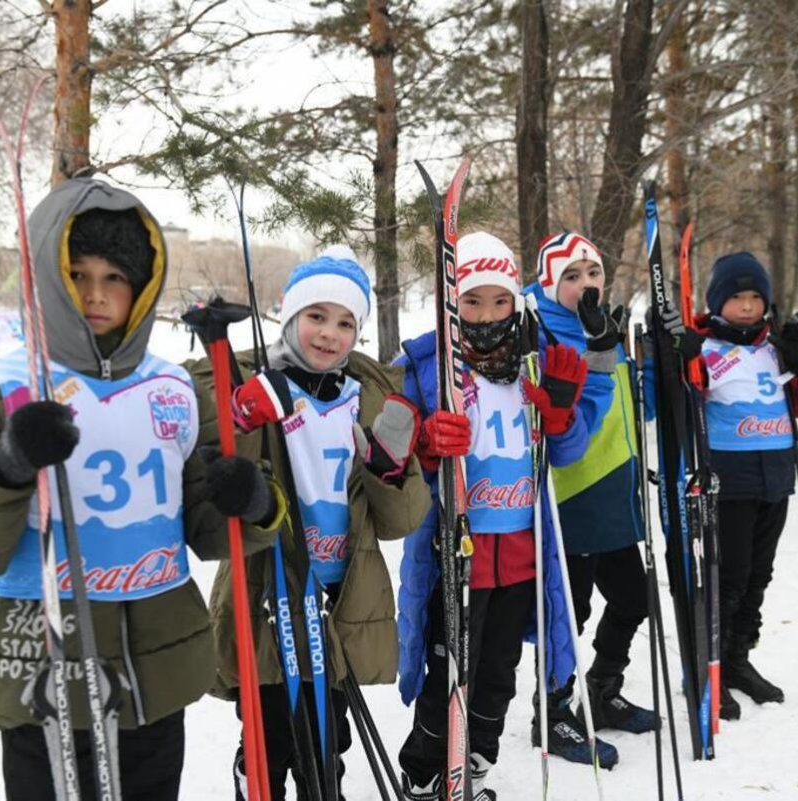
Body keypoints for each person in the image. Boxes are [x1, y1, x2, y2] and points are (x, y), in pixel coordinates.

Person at [0, 178, 282, 800]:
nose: (95, 294)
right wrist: (5, 465)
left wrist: (253, 501)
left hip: (156, 668)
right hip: (41, 668)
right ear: (49, 280)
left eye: (114, 277)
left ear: (141, 286)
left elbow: (205, 527)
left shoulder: (174, 389)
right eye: (78, 275)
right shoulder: (3, 387)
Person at [192, 248, 432, 800]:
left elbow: (402, 521)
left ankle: (323, 789)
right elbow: (216, 480)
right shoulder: (255, 384)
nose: (329, 334)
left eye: (346, 322)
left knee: (328, 735)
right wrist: (243, 415)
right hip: (269, 591)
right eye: (316, 316)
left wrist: (389, 471)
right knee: (273, 727)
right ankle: (257, 783)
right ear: (291, 317)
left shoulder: (367, 398)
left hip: (340, 598)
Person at [394, 232, 614, 800]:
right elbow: (388, 459)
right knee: (448, 678)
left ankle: (474, 769)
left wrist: (562, 413)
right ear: (451, 304)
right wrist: (424, 443)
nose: (486, 314)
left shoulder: (532, 367)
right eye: (472, 301)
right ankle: (424, 773)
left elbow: (566, 455)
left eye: (499, 301)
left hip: (519, 554)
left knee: (496, 680)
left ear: (516, 303)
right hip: (456, 552)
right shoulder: (427, 369)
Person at [523, 231, 657, 769]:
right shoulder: (540, 334)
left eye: (592, 273)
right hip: (569, 498)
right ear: (549, 284)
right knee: (567, 617)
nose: (584, 285)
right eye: (570, 277)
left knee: (634, 599)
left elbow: (634, 412)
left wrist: (653, 366)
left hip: (616, 495)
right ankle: (551, 711)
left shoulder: (607, 329)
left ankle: (602, 688)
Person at [677, 250, 798, 719]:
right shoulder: (706, 346)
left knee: (759, 575)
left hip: (776, 477)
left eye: (754, 298)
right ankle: (710, 665)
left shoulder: (775, 344)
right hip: (729, 477)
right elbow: (684, 402)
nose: (746, 307)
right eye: (736, 298)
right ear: (718, 302)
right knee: (730, 575)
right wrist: (679, 362)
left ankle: (739, 658)